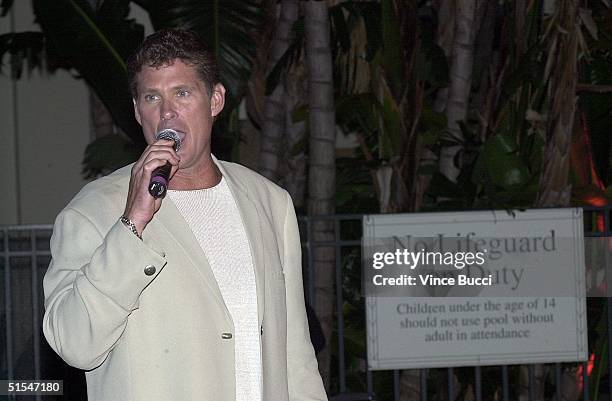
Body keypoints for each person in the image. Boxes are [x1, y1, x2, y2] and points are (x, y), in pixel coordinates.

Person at [42, 28, 327, 401]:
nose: (167, 112)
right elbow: (74, 344)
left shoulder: (270, 202)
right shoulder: (92, 211)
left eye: (183, 93)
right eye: (152, 97)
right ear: (136, 110)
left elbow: (295, 355)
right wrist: (132, 224)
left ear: (215, 100)